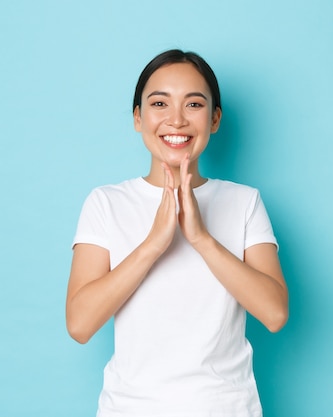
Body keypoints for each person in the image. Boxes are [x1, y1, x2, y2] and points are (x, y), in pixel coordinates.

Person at [66, 49, 288, 417]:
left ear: (215, 119)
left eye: (194, 104)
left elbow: (275, 313)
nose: (176, 120)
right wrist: (153, 244)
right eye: (159, 103)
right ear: (138, 117)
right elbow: (80, 323)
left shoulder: (244, 202)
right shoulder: (105, 203)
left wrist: (202, 238)